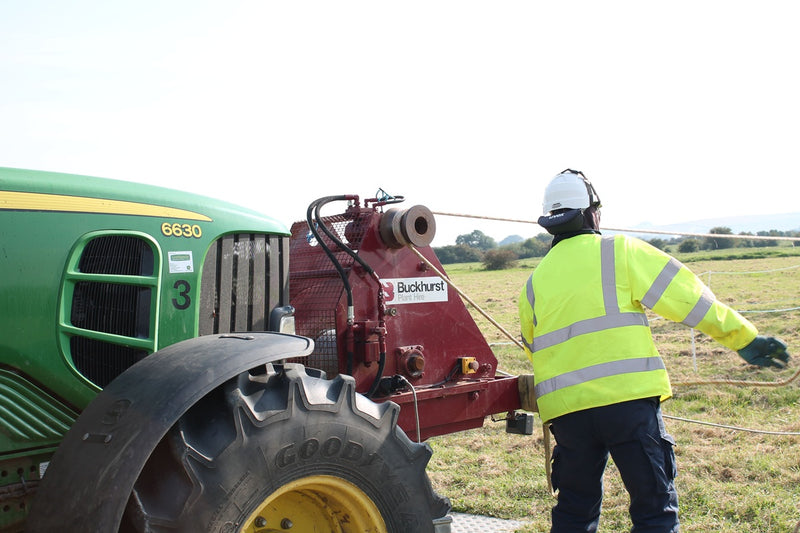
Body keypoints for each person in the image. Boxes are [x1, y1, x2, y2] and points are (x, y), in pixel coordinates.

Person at [518, 169, 790, 533]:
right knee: (654, 512)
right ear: (590, 214)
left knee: (573, 513)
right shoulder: (619, 252)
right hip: (628, 405)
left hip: (568, 415)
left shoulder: (533, 284)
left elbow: (534, 347)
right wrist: (745, 339)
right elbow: (690, 300)